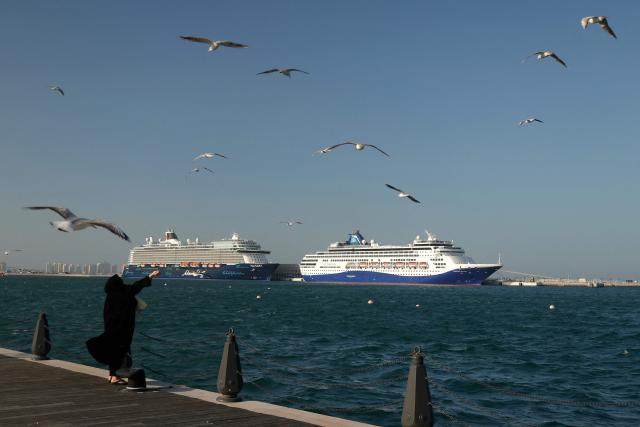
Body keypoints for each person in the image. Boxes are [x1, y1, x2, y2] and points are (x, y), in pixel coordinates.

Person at [86, 271, 160, 384]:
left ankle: (112, 375)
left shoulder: (110, 296)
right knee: (120, 351)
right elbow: (137, 286)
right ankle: (116, 376)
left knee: (112, 350)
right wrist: (150, 276)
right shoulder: (124, 292)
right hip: (122, 329)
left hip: (110, 328)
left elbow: (107, 314)